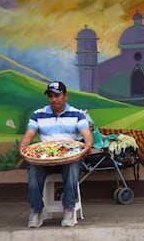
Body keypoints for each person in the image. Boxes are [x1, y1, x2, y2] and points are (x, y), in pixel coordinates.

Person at [19, 81, 93, 228]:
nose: (54, 99)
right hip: (44, 160)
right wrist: (22, 148)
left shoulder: (77, 114)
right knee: (33, 170)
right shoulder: (38, 114)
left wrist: (88, 146)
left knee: (72, 167)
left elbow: (87, 137)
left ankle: (68, 209)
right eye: (51, 96)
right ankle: (36, 210)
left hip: (69, 158)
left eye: (57, 96)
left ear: (65, 96)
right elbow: (28, 136)